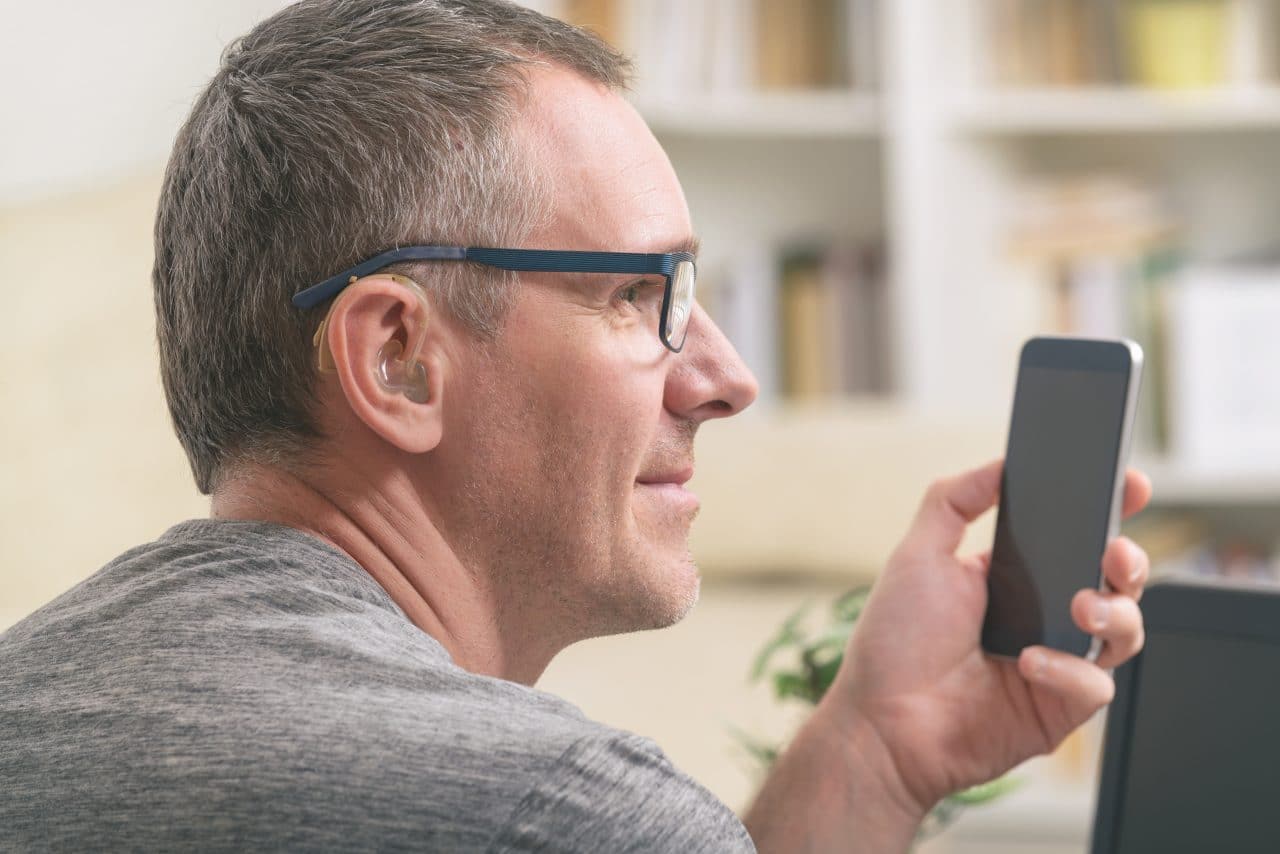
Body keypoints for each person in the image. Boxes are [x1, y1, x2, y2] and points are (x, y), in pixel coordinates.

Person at [0, 1, 1152, 851]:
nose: (726, 378)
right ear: (396, 359)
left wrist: (870, 754)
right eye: (640, 295)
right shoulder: (562, 811)